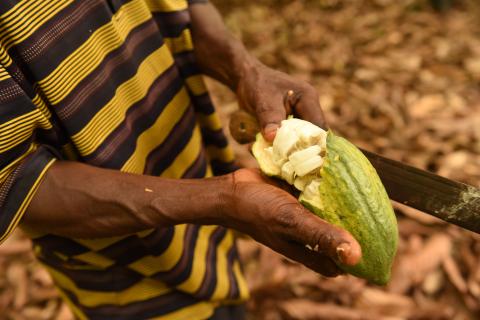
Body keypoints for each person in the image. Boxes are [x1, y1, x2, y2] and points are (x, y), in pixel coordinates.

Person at [0, 0, 361, 319]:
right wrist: (221, 200)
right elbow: (16, 181)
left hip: (207, 222)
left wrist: (244, 70)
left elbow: (180, 7)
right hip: (126, 278)